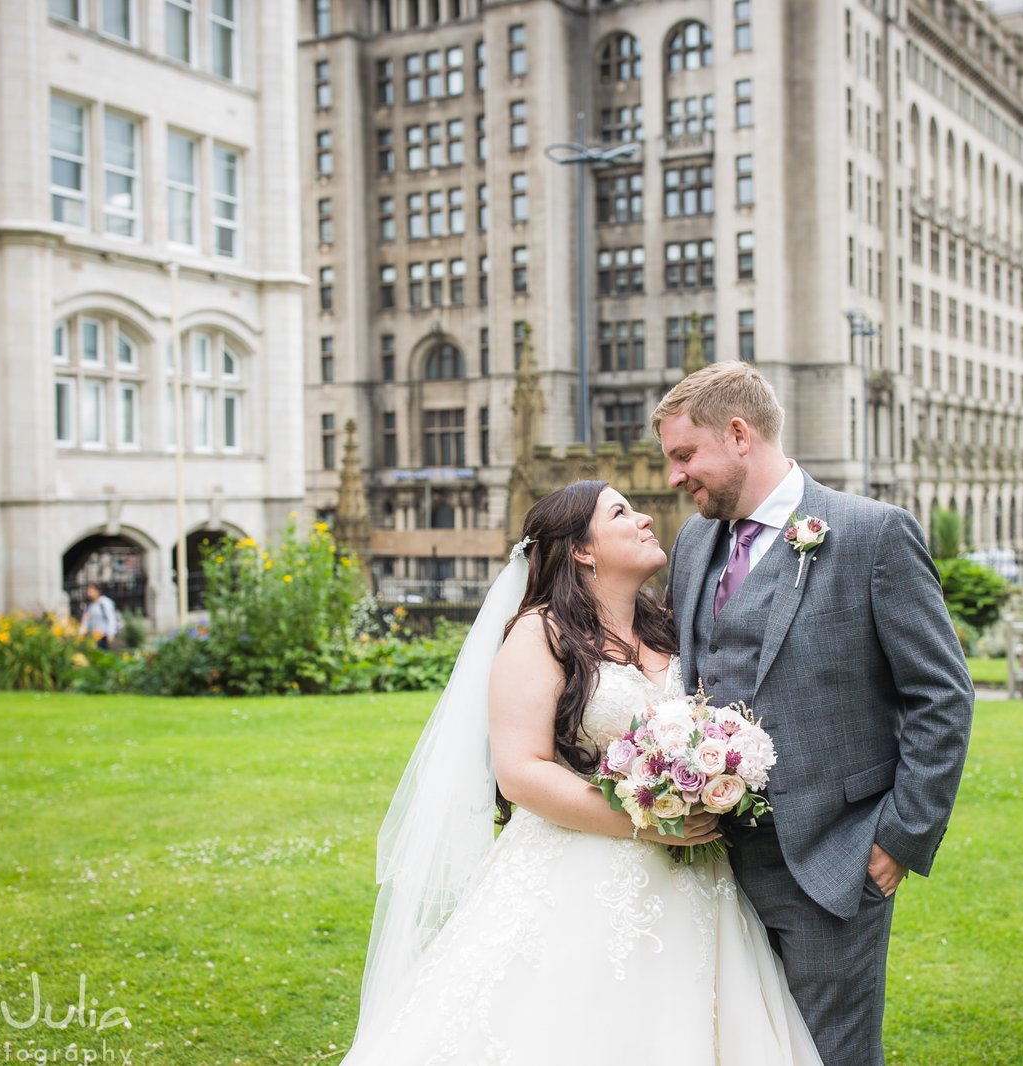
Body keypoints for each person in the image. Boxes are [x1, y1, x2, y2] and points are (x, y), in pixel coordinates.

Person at [342, 480, 823, 1065]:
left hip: (698, 879)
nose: (646, 518)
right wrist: (645, 824)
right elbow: (519, 771)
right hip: (579, 872)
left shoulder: (670, 626)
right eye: (621, 512)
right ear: (581, 550)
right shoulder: (538, 633)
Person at [652, 361, 974, 1066]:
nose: (675, 478)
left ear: (739, 434)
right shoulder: (693, 543)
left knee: (828, 1056)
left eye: (684, 456)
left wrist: (900, 838)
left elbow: (941, 695)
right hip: (709, 863)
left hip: (833, 860)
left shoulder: (872, 535)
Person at [78, 582, 120, 650]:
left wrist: (111, 634)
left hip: (103, 637)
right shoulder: (89, 605)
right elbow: (85, 621)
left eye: (91, 591)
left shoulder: (104, 603)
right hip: (93, 637)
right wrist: (80, 633)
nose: (88, 593)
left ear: (98, 591)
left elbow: (111, 619)